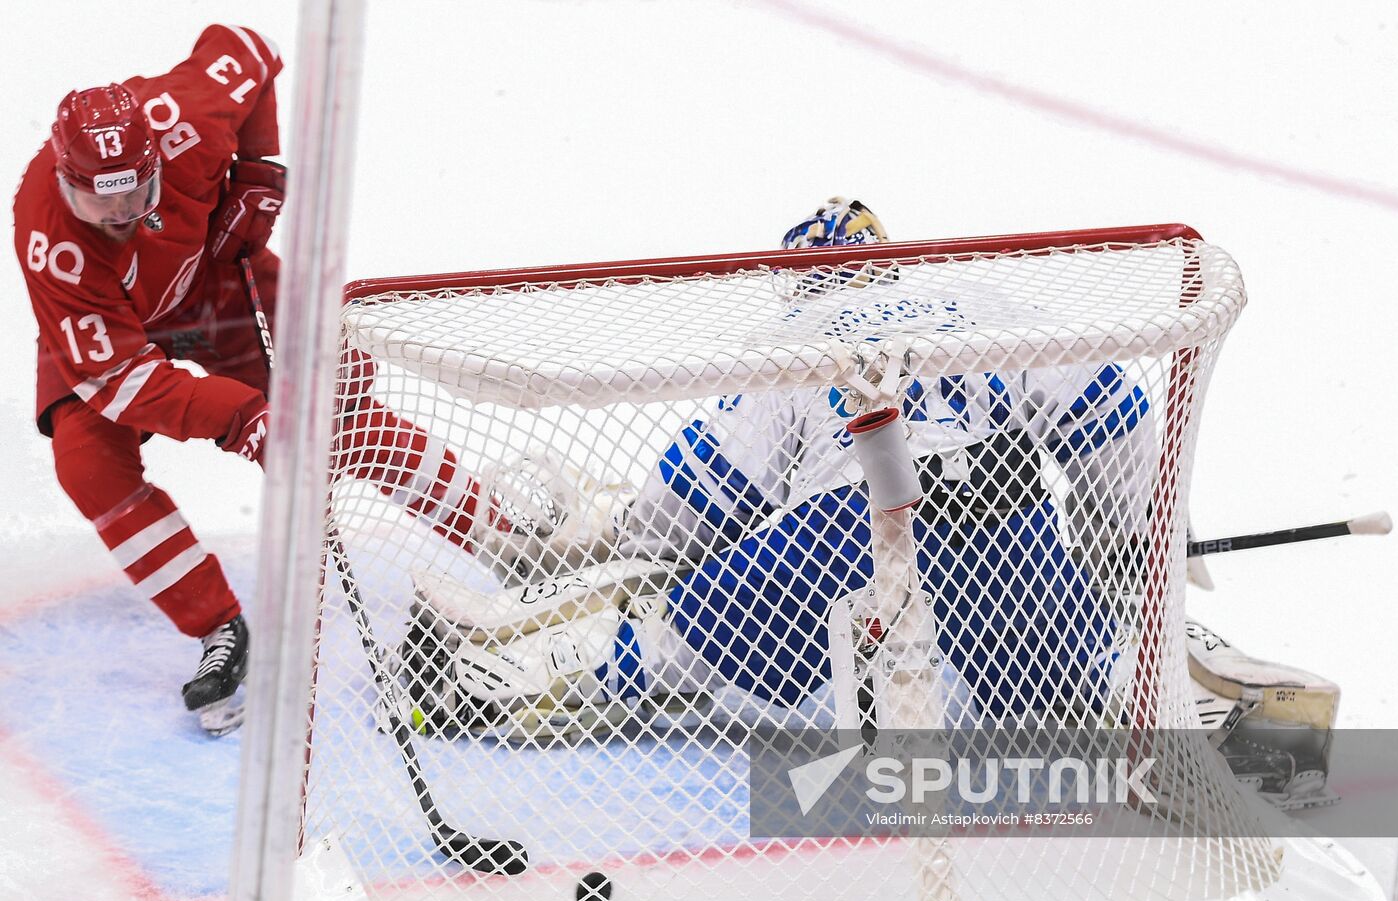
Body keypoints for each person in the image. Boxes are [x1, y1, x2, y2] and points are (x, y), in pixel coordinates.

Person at [407, 197, 1155, 740]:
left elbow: (705, 490)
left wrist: (627, 538)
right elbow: (1110, 412)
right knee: (1078, 682)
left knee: (672, 641)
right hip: (1002, 521)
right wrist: (1120, 551)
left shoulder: (800, 332)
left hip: (845, 528)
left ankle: (503, 673)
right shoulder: (976, 298)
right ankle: (1158, 675)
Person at [14, 26, 505, 735]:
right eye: (101, 206)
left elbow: (246, 47)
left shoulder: (180, 117)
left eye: (137, 196)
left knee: (336, 419)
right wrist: (245, 418)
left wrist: (256, 169)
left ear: (158, 157)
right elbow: (125, 382)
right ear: (67, 184)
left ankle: (501, 535)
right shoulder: (50, 240)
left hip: (214, 282)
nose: (121, 217)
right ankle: (217, 623)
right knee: (88, 462)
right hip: (109, 332)